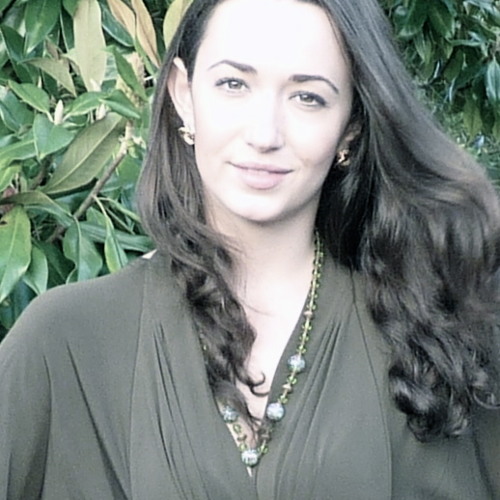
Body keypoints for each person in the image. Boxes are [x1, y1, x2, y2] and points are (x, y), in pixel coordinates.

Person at [1, 0, 499, 498]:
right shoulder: (63, 342)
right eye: (233, 84)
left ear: (351, 126)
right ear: (183, 95)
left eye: (308, 97)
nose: (264, 135)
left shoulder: (439, 335)